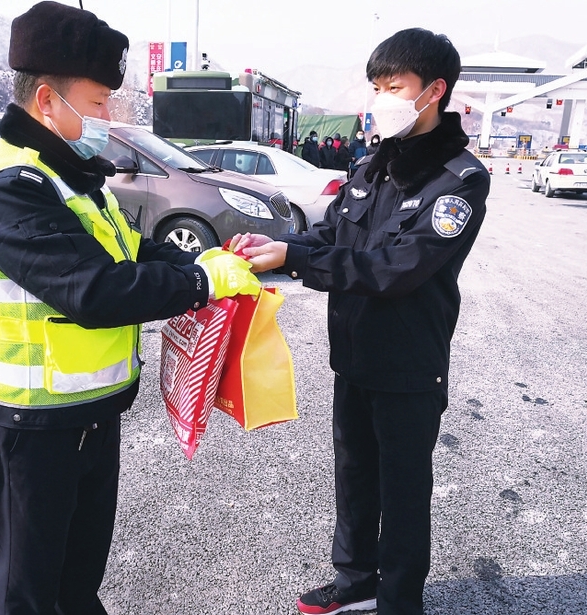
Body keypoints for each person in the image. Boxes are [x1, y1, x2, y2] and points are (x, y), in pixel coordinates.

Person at [0, 3, 261, 614]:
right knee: (32, 593)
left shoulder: (69, 177)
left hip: (87, 415)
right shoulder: (12, 187)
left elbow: (132, 253)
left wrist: (208, 260)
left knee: (76, 583)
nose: (106, 118)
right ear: (47, 100)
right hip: (32, 425)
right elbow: (93, 290)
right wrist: (201, 285)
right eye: (97, 104)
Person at [231, 27, 489, 615]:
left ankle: (399, 600)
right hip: (353, 355)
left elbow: (400, 267)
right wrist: (274, 245)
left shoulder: (459, 180)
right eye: (376, 86)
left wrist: (296, 260)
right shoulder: (373, 164)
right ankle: (356, 581)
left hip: (408, 366)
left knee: (401, 492)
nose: (381, 99)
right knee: (353, 478)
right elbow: (331, 235)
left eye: (394, 86)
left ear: (434, 90)